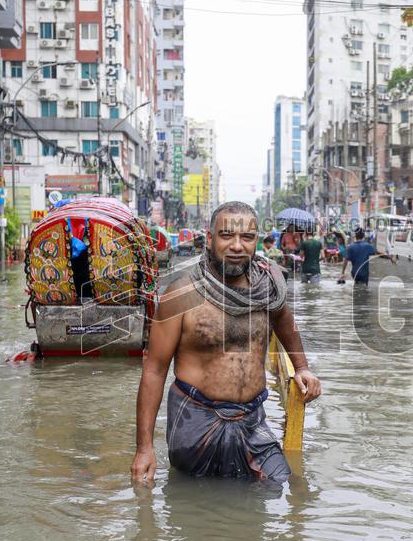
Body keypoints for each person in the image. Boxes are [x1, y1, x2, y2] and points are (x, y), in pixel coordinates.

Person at [131, 201, 322, 484]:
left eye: (246, 237)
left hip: (252, 420)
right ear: (210, 239)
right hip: (195, 422)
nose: (237, 246)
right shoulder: (181, 293)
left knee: (281, 485)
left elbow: (285, 322)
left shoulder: (267, 286)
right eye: (226, 235)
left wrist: (302, 367)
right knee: (196, 505)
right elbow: (155, 370)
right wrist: (144, 449)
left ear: (256, 241)